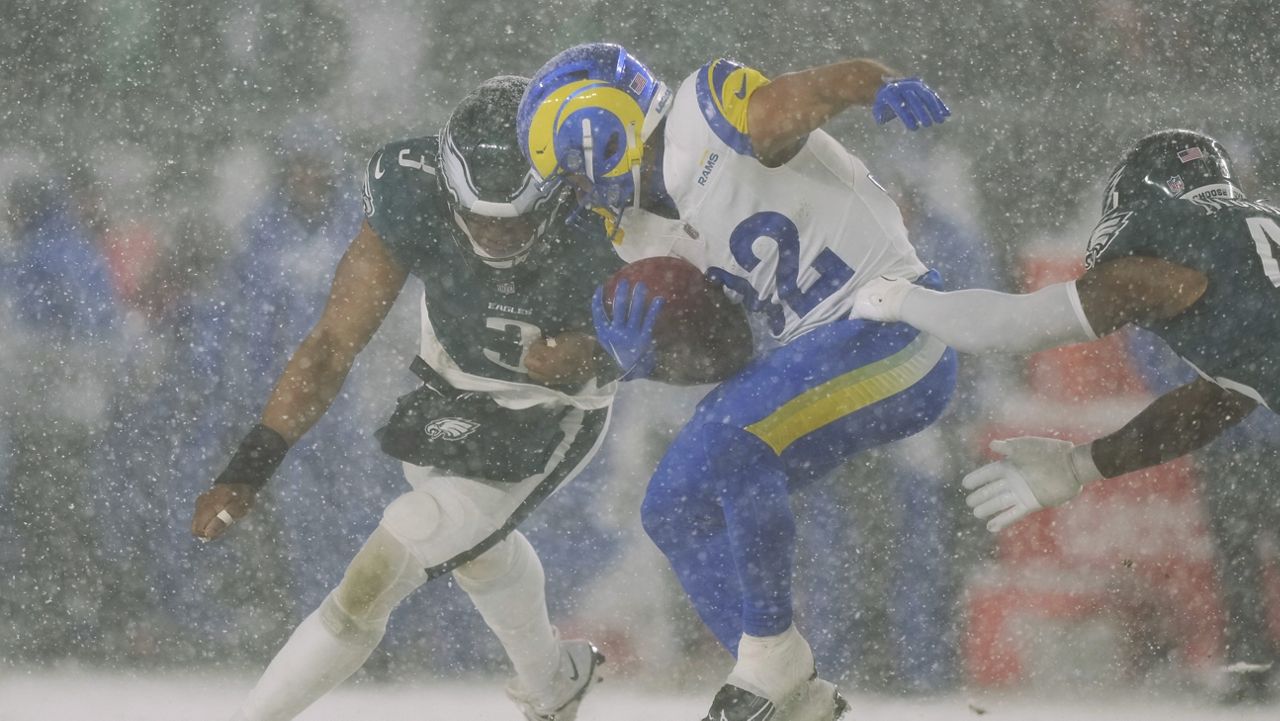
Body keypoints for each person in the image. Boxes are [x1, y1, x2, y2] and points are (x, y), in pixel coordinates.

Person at [517, 43, 956, 721]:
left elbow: (815, 86)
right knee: (673, 503)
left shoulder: (704, 116)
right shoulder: (640, 233)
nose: (574, 198)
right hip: (820, 353)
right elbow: (727, 354)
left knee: (732, 440)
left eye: (569, 178)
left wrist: (878, 85)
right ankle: (795, 698)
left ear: (597, 134)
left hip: (894, 322)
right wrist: (644, 358)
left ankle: (771, 669)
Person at [189, 76, 625, 721]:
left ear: (560, 189)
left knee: (389, 562)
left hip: (554, 410)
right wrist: (250, 466)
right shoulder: (409, 187)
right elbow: (332, 346)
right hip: (447, 385)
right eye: (476, 216)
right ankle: (552, 681)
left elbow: (693, 341)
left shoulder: (612, 208)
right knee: (476, 552)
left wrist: (597, 345)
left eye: (515, 219)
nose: (494, 235)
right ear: (447, 187)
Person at [852, 129, 1278, 534]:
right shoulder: (1248, 255)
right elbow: (1208, 406)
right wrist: (1079, 465)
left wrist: (895, 297)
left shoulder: (1173, 260)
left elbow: (1005, 328)